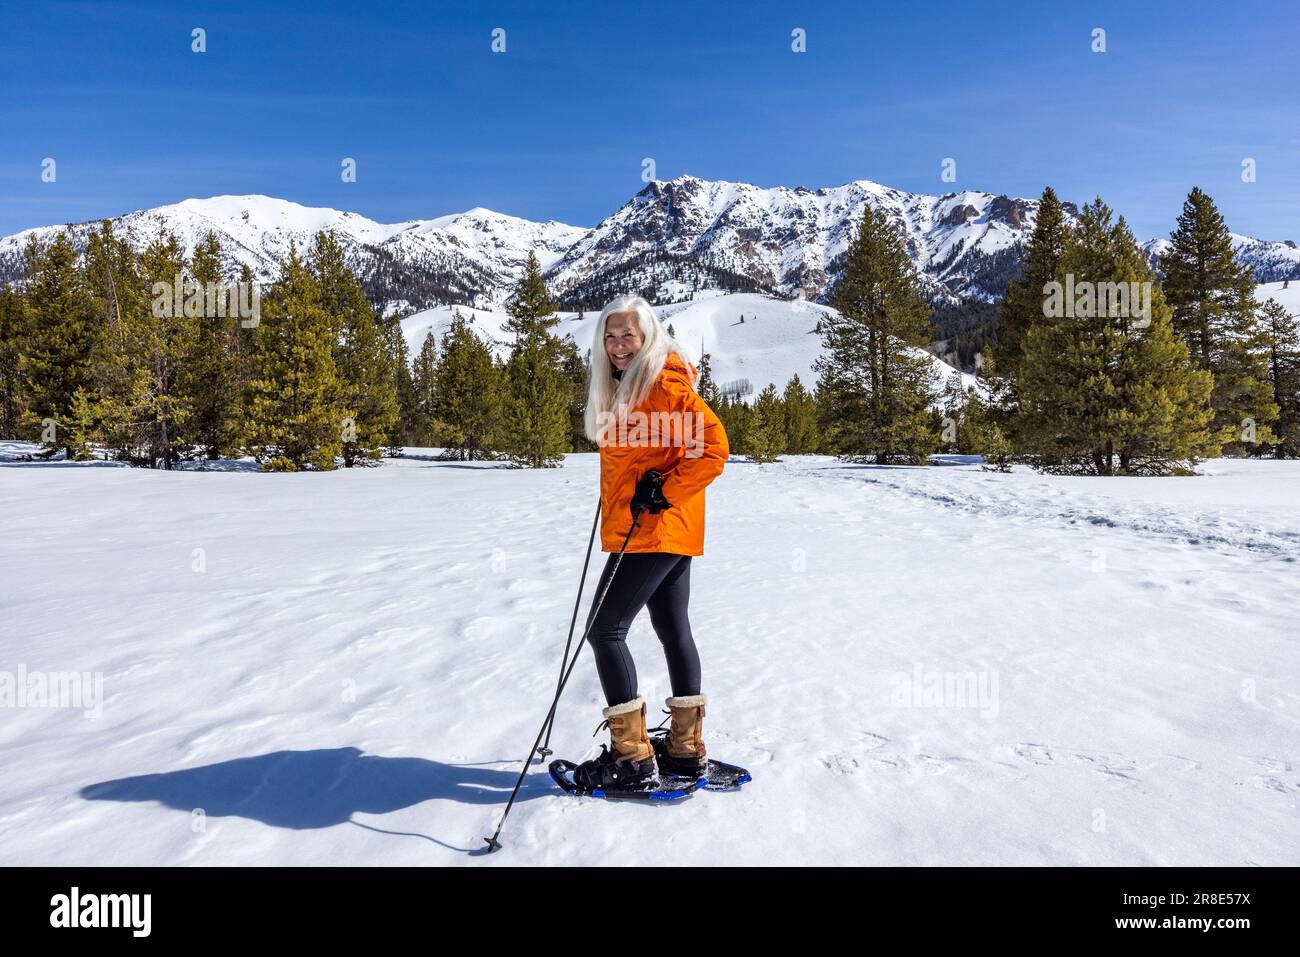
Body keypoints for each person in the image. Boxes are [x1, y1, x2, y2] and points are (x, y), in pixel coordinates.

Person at [571, 295, 729, 791]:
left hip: (654, 530)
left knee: (605, 630)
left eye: (628, 336)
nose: (618, 345)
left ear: (648, 337)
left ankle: (632, 758)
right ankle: (683, 750)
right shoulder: (628, 384)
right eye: (610, 336)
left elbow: (713, 448)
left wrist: (661, 492)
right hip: (662, 528)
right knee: (672, 628)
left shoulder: (661, 382)